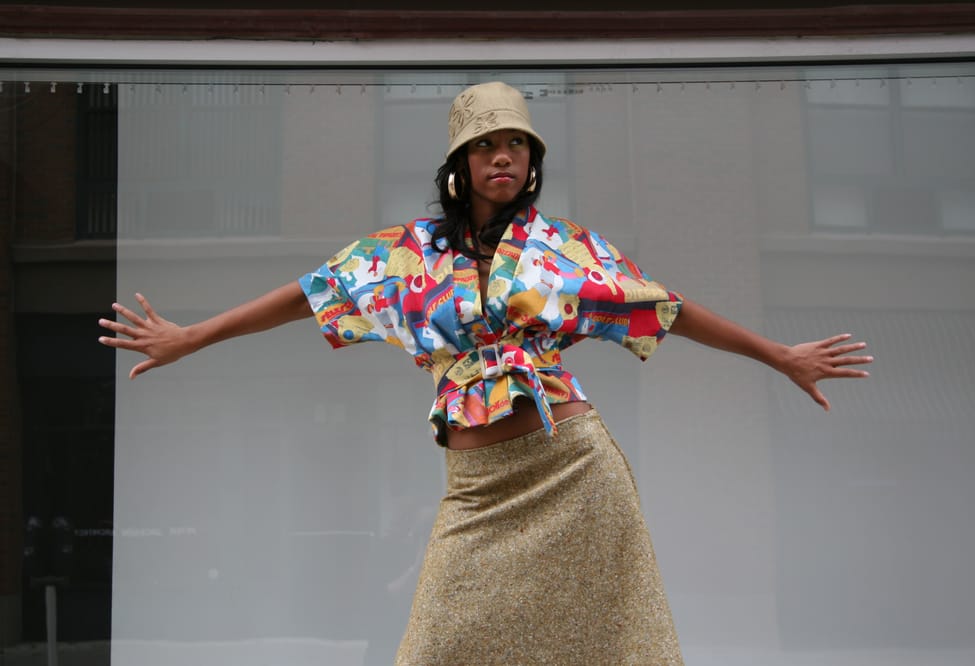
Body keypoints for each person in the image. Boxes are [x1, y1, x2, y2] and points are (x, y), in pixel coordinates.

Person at [98, 81, 872, 664]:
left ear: (532, 163)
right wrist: (191, 337)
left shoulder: (564, 250)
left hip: (574, 472)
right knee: (435, 646)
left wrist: (780, 356)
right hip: (476, 489)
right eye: (485, 145)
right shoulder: (408, 252)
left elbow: (667, 309)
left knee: (605, 646)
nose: (502, 156)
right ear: (460, 165)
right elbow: (310, 294)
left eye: (516, 145)